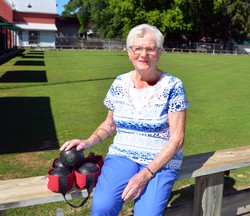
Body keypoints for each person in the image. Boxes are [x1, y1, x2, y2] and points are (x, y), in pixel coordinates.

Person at [60, 23, 190, 216]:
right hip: (123, 155)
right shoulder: (119, 83)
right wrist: (87, 142)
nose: (143, 54)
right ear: (129, 52)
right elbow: (109, 124)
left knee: (148, 214)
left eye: (150, 49)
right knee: (102, 207)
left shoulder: (173, 85)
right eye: (137, 48)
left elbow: (177, 139)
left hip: (159, 161)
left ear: (160, 52)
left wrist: (146, 174)